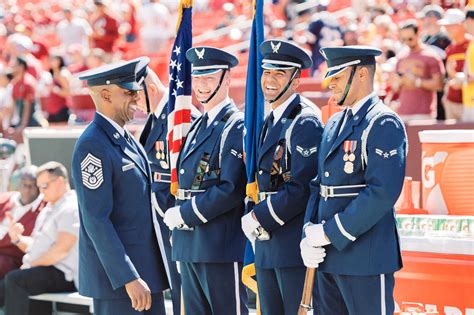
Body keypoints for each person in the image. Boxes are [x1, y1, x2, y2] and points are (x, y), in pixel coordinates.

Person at [302, 46, 407, 314]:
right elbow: (318, 186)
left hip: (365, 258)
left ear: (361, 73)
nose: (330, 83)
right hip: (328, 257)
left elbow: (382, 192)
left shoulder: (383, 122)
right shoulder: (334, 123)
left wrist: (329, 232)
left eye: (337, 76)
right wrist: (308, 233)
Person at [72, 57, 170, 314]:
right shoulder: (92, 145)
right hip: (121, 284)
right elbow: (96, 219)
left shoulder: (126, 138)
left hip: (146, 275)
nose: (137, 99)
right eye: (129, 92)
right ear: (105, 95)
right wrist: (127, 276)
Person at [240, 39, 324, 315]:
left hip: (289, 242)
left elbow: (301, 187)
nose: (270, 80)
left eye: (280, 73)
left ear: (296, 80)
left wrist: (258, 217)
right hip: (267, 241)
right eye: (267, 72)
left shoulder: (305, 120)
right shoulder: (270, 120)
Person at [163, 47, 248, 315]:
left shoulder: (235, 125)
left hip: (218, 243)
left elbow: (230, 188)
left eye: (209, 78)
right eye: (197, 78)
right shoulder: (198, 125)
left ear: (226, 79)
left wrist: (185, 215)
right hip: (190, 244)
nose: (201, 86)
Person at [136, 65, 186, 315]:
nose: (134, 104)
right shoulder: (158, 116)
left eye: (136, 96)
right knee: (176, 286)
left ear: (151, 89)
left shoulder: (176, 116)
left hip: (173, 214)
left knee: (183, 288)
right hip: (161, 215)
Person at [1, 161, 79, 315]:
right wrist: (17, 238)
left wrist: (31, 263)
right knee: (4, 286)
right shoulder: (49, 208)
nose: (42, 192)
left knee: (15, 280)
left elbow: (61, 250)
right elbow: (35, 245)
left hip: (64, 273)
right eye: (40, 187)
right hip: (44, 269)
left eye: (44, 186)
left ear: (60, 182)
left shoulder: (71, 207)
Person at [393, 20, 445, 121]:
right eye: (403, 39)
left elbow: (439, 85)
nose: (407, 42)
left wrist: (417, 81)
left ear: (418, 34)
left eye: (410, 38)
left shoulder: (431, 56)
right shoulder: (401, 56)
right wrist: (397, 82)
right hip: (403, 112)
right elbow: (396, 87)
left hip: (424, 113)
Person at [0, 165, 44, 278]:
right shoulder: (5, 199)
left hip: (13, 260)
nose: (27, 190)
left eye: (32, 185)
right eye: (24, 184)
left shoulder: (43, 210)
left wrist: (17, 236)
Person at [440, 9, 470, 120]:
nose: (447, 29)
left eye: (450, 26)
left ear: (461, 25)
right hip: (451, 101)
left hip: (468, 102)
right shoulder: (450, 49)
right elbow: (450, 73)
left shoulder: (471, 44)